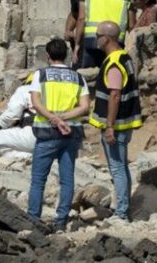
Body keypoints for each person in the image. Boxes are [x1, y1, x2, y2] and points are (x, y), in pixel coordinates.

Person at [27, 38, 91, 231]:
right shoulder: (78, 77)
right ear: (67, 55)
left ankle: (33, 220)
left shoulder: (41, 74)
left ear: (48, 56)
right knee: (67, 179)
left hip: (47, 133)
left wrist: (55, 119)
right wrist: (64, 117)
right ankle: (61, 221)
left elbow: (37, 104)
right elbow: (85, 107)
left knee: (38, 179)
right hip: (71, 134)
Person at [89, 21, 143, 222]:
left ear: (107, 38)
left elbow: (114, 95)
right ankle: (123, 208)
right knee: (122, 167)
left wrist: (109, 126)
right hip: (125, 122)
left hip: (117, 125)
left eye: (98, 36)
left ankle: (121, 212)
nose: (96, 39)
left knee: (118, 168)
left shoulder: (113, 63)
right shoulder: (125, 57)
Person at [74, 0, 131, 68]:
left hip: (91, 40)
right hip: (115, 43)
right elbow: (131, 25)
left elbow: (81, 18)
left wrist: (77, 45)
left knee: (89, 76)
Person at [0, 72, 37, 159]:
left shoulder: (25, 89)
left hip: (33, 134)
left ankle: (28, 156)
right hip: (55, 136)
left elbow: (13, 113)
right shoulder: (54, 93)